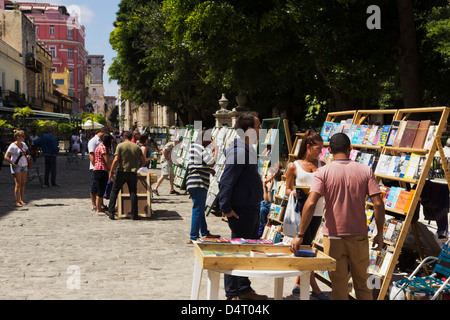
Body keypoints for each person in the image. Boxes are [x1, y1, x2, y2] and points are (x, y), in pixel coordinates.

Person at [290, 133, 385, 300]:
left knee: (338, 287)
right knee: (363, 285)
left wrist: (300, 235)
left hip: (333, 237)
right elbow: (377, 203)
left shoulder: (323, 172)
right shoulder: (365, 170)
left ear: (331, 150)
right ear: (350, 149)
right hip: (359, 237)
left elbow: (311, 203)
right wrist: (379, 233)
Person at [218, 113, 267, 300]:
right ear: (248, 130)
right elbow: (227, 181)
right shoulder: (239, 151)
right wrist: (226, 208)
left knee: (246, 251)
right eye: (258, 126)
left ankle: (244, 289)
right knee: (237, 252)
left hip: (250, 206)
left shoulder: (247, 149)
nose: (260, 130)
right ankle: (232, 294)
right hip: (242, 210)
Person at [284, 130, 328, 299]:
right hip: (299, 213)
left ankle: (298, 282)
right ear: (308, 147)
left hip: (317, 213)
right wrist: (294, 193)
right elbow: (287, 188)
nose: (321, 151)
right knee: (306, 247)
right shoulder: (294, 166)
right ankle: (315, 288)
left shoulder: (322, 165)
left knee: (307, 246)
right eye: (318, 148)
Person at [186, 130, 220, 243]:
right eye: (209, 139)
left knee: (199, 209)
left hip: (194, 182)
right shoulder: (198, 147)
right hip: (198, 183)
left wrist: (208, 170)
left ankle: (205, 232)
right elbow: (211, 161)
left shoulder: (194, 147)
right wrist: (215, 151)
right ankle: (193, 235)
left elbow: (198, 164)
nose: (210, 142)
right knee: (197, 209)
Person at [108, 131, 146, 220]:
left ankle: (111, 212)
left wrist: (111, 171)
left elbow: (116, 159)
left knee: (114, 191)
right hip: (132, 172)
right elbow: (143, 161)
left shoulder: (120, 146)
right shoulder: (137, 147)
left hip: (121, 171)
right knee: (133, 193)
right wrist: (137, 167)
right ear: (131, 137)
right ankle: (134, 214)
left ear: (124, 137)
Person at [4, 130, 31, 207]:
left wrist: (28, 156)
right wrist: (12, 163)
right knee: (18, 184)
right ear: (17, 137)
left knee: (23, 184)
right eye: (22, 136)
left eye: (24, 136)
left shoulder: (24, 144)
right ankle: (17, 201)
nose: (24, 137)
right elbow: (6, 156)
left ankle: (21, 200)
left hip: (24, 165)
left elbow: (27, 153)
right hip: (17, 166)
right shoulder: (13, 146)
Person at [88, 127, 110, 212]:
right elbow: (91, 154)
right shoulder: (93, 141)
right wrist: (95, 166)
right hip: (96, 167)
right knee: (94, 187)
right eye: (106, 133)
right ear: (101, 132)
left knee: (101, 187)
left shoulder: (102, 141)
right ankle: (94, 205)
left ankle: (101, 204)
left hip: (102, 167)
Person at [93, 134, 113, 216]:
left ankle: (100, 207)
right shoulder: (103, 148)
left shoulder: (100, 146)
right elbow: (107, 160)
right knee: (100, 190)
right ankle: (98, 209)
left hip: (98, 169)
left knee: (101, 189)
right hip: (101, 170)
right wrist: (112, 169)